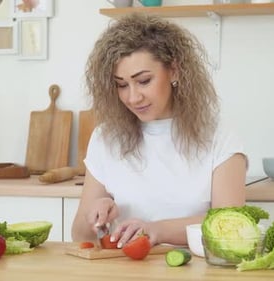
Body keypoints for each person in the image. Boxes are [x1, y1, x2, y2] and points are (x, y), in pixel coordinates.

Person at [71, 13, 247, 248]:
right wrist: (95, 215)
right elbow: (81, 237)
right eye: (121, 85)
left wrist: (157, 230)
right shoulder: (106, 137)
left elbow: (231, 227)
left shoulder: (219, 137)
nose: (133, 97)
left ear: (174, 71)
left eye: (144, 81)